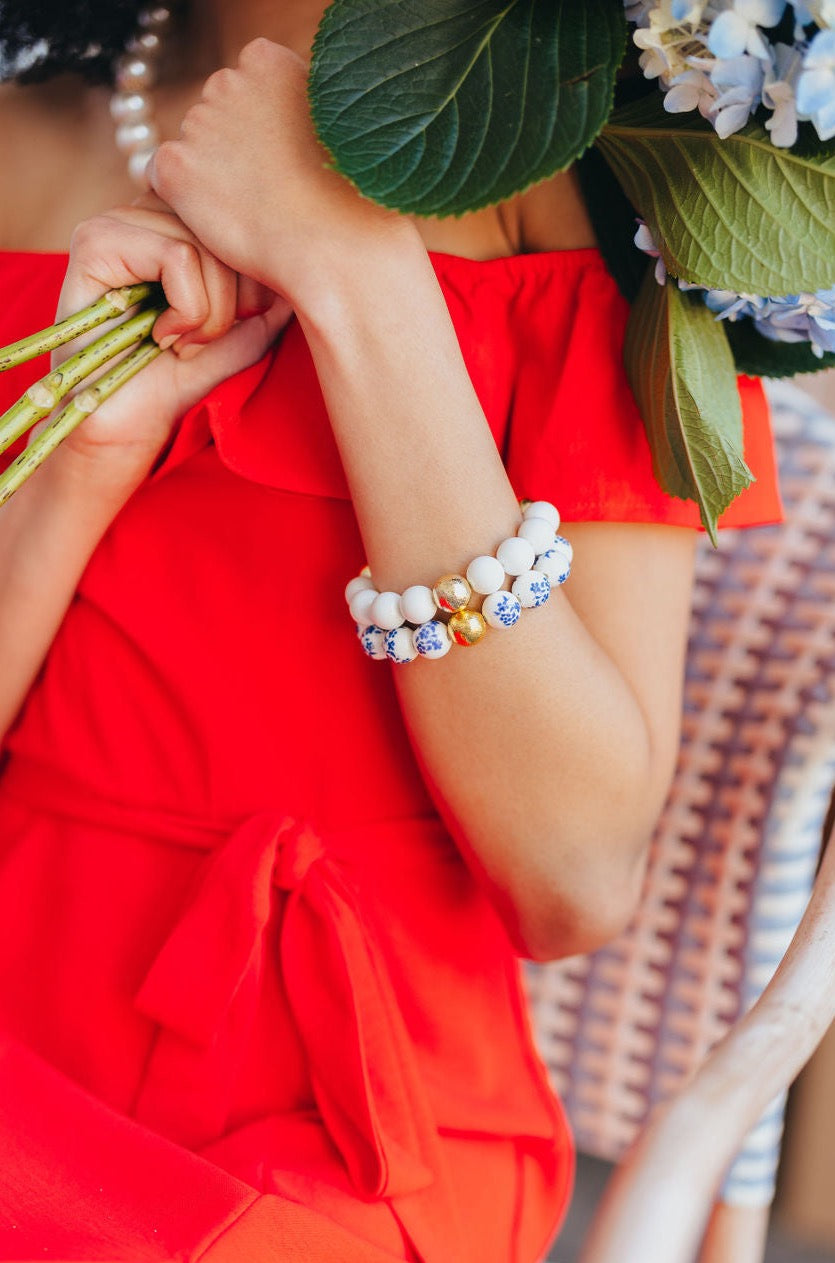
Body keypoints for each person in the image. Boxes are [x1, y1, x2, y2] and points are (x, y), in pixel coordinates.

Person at [0, 2, 782, 1260]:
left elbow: (574, 877)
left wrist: (358, 276)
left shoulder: (608, 186)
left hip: (359, 1116)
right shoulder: (19, 146)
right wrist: (90, 452)